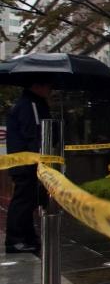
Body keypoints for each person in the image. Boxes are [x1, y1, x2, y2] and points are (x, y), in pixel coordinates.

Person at [6, 81, 52, 255]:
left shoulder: (31, 104)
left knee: (29, 200)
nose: (50, 88)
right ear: (36, 86)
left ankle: (27, 237)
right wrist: (41, 158)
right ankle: (16, 240)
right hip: (27, 163)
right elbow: (34, 134)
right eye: (47, 85)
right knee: (23, 200)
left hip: (24, 162)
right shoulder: (30, 105)